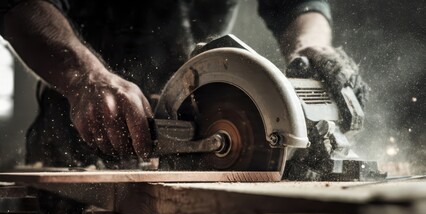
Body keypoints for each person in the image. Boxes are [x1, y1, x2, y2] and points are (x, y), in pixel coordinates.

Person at [0, 0, 365, 169]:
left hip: (201, 111)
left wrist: (310, 47)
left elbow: (297, 5)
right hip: (83, 127)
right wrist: (85, 77)